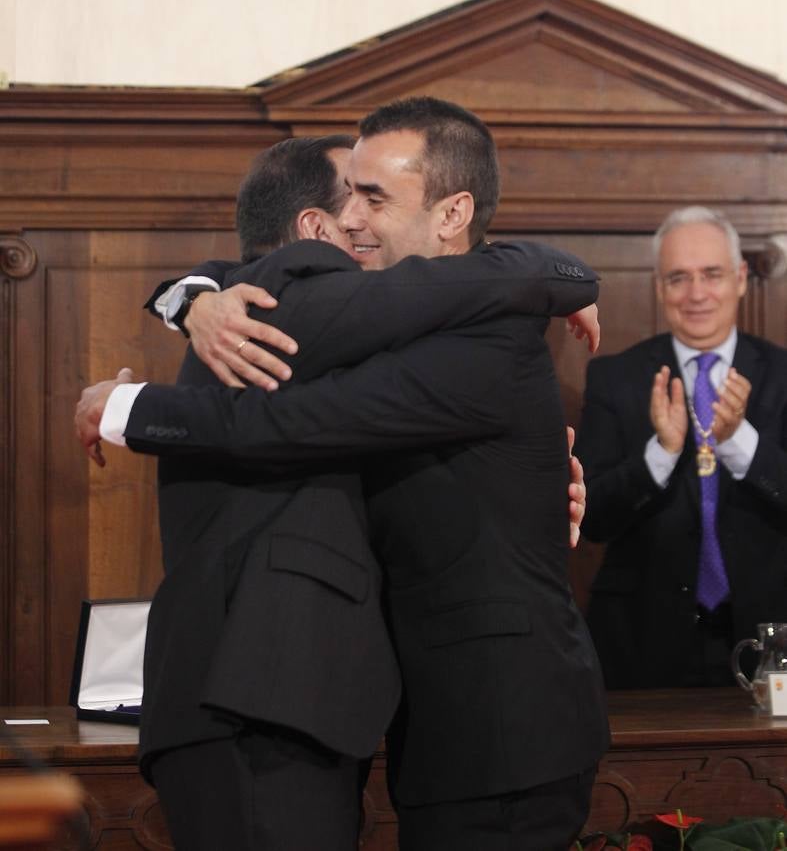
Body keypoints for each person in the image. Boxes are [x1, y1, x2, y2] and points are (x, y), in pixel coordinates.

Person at [76, 97, 609, 851]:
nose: (348, 219)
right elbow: (262, 279)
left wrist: (121, 407)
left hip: (504, 726)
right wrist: (190, 298)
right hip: (422, 725)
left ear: (452, 213)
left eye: (374, 197)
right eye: (346, 195)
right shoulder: (390, 319)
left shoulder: (489, 336)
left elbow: (285, 425)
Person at [576, 206, 787, 690]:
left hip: (768, 637)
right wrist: (662, 453)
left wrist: (739, 442)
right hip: (641, 642)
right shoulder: (616, 377)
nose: (696, 294)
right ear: (659, 287)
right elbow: (592, 518)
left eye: (711, 275)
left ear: (738, 279)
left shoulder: (782, 374)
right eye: (678, 278)